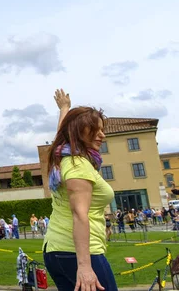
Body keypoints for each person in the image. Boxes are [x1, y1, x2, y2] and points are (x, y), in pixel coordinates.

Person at [43, 89, 117, 291]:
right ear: (78, 132)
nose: (102, 134)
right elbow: (79, 214)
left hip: (60, 251)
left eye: (102, 129)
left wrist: (64, 108)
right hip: (76, 253)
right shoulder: (77, 164)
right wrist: (84, 267)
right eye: (95, 129)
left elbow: (63, 133)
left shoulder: (66, 158)